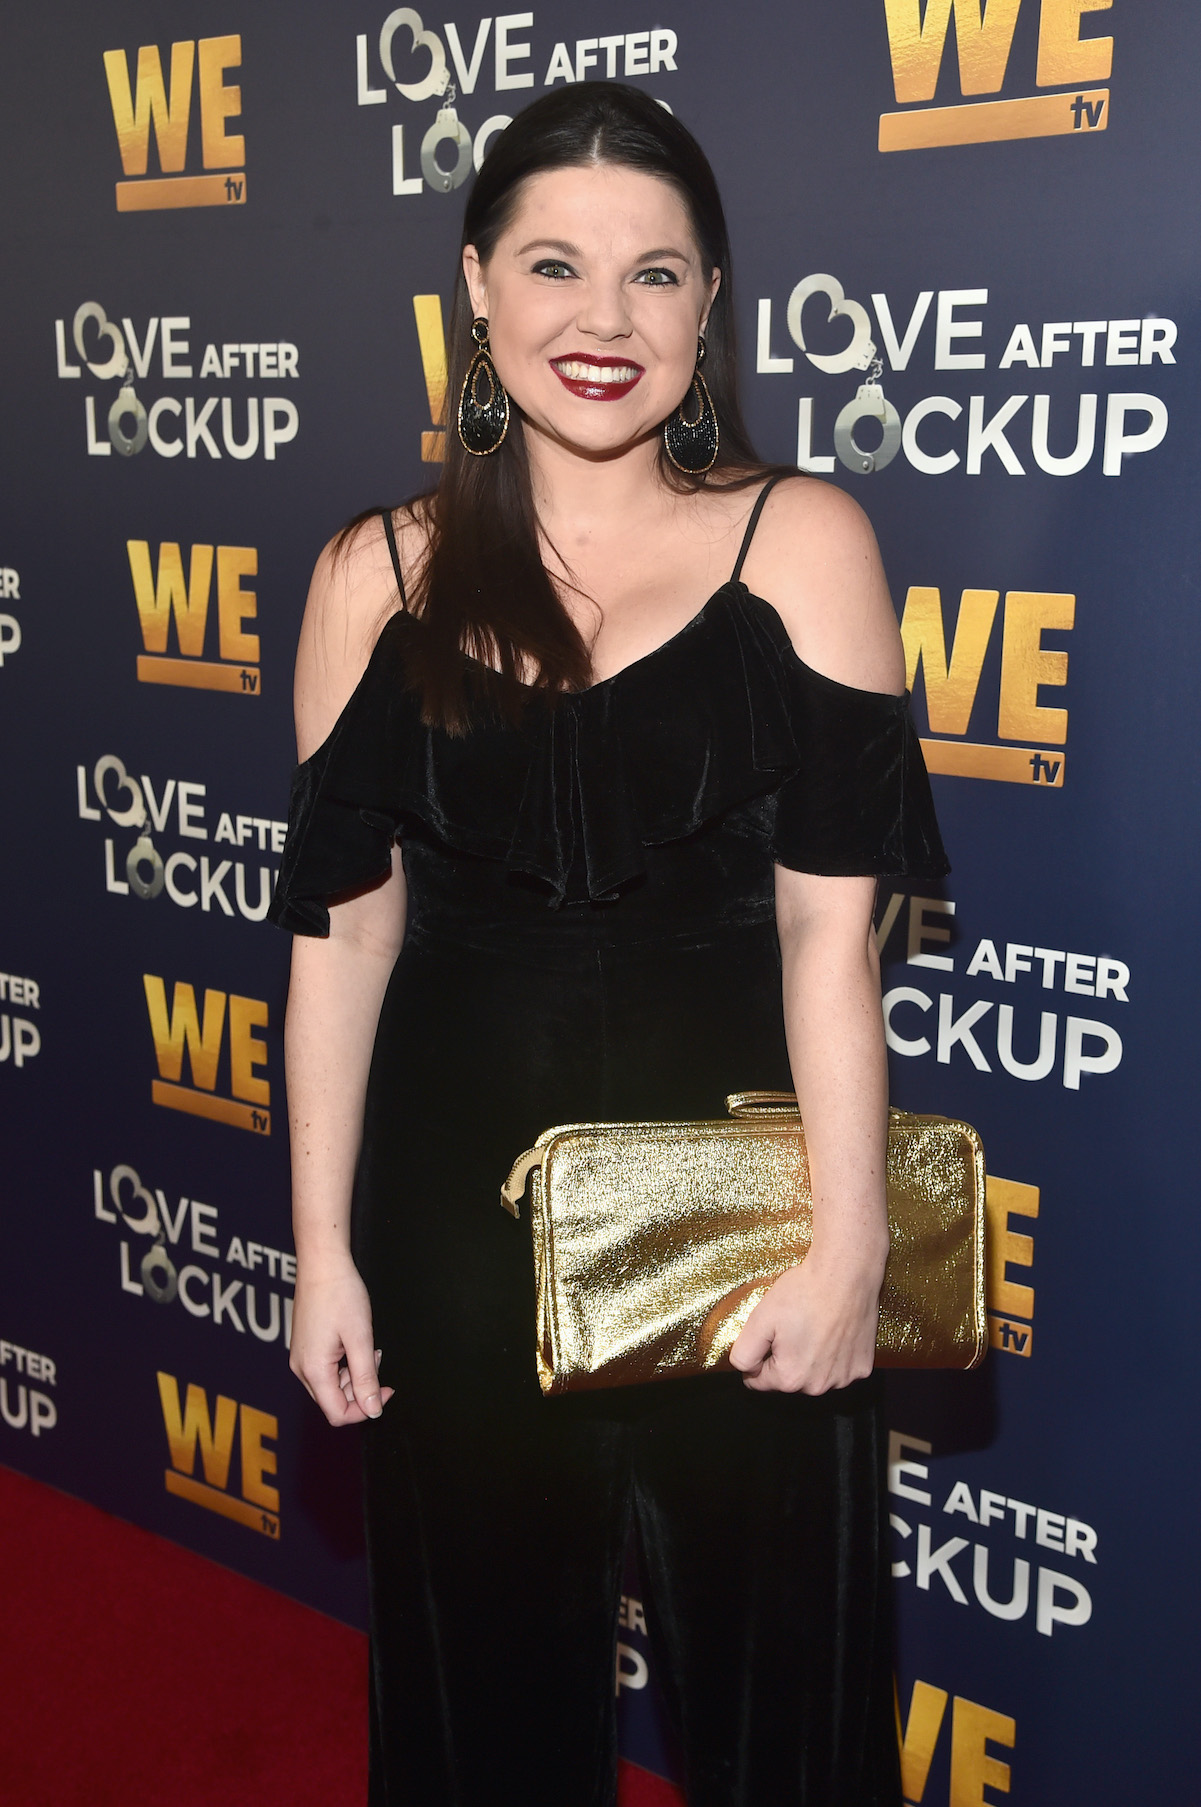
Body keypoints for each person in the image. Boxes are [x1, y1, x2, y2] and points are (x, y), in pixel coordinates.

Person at [270, 82, 946, 1807]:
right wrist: (324, 1251)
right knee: (476, 1716)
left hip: (746, 1233)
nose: (605, 318)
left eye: (655, 273)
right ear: (475, 287)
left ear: (708, 303)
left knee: (785, 1721)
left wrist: (848, 1249)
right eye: (555, 265)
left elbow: (827, 940)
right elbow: (344, 948)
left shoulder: (802, 541)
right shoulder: (370, 578)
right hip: (453, 1239)